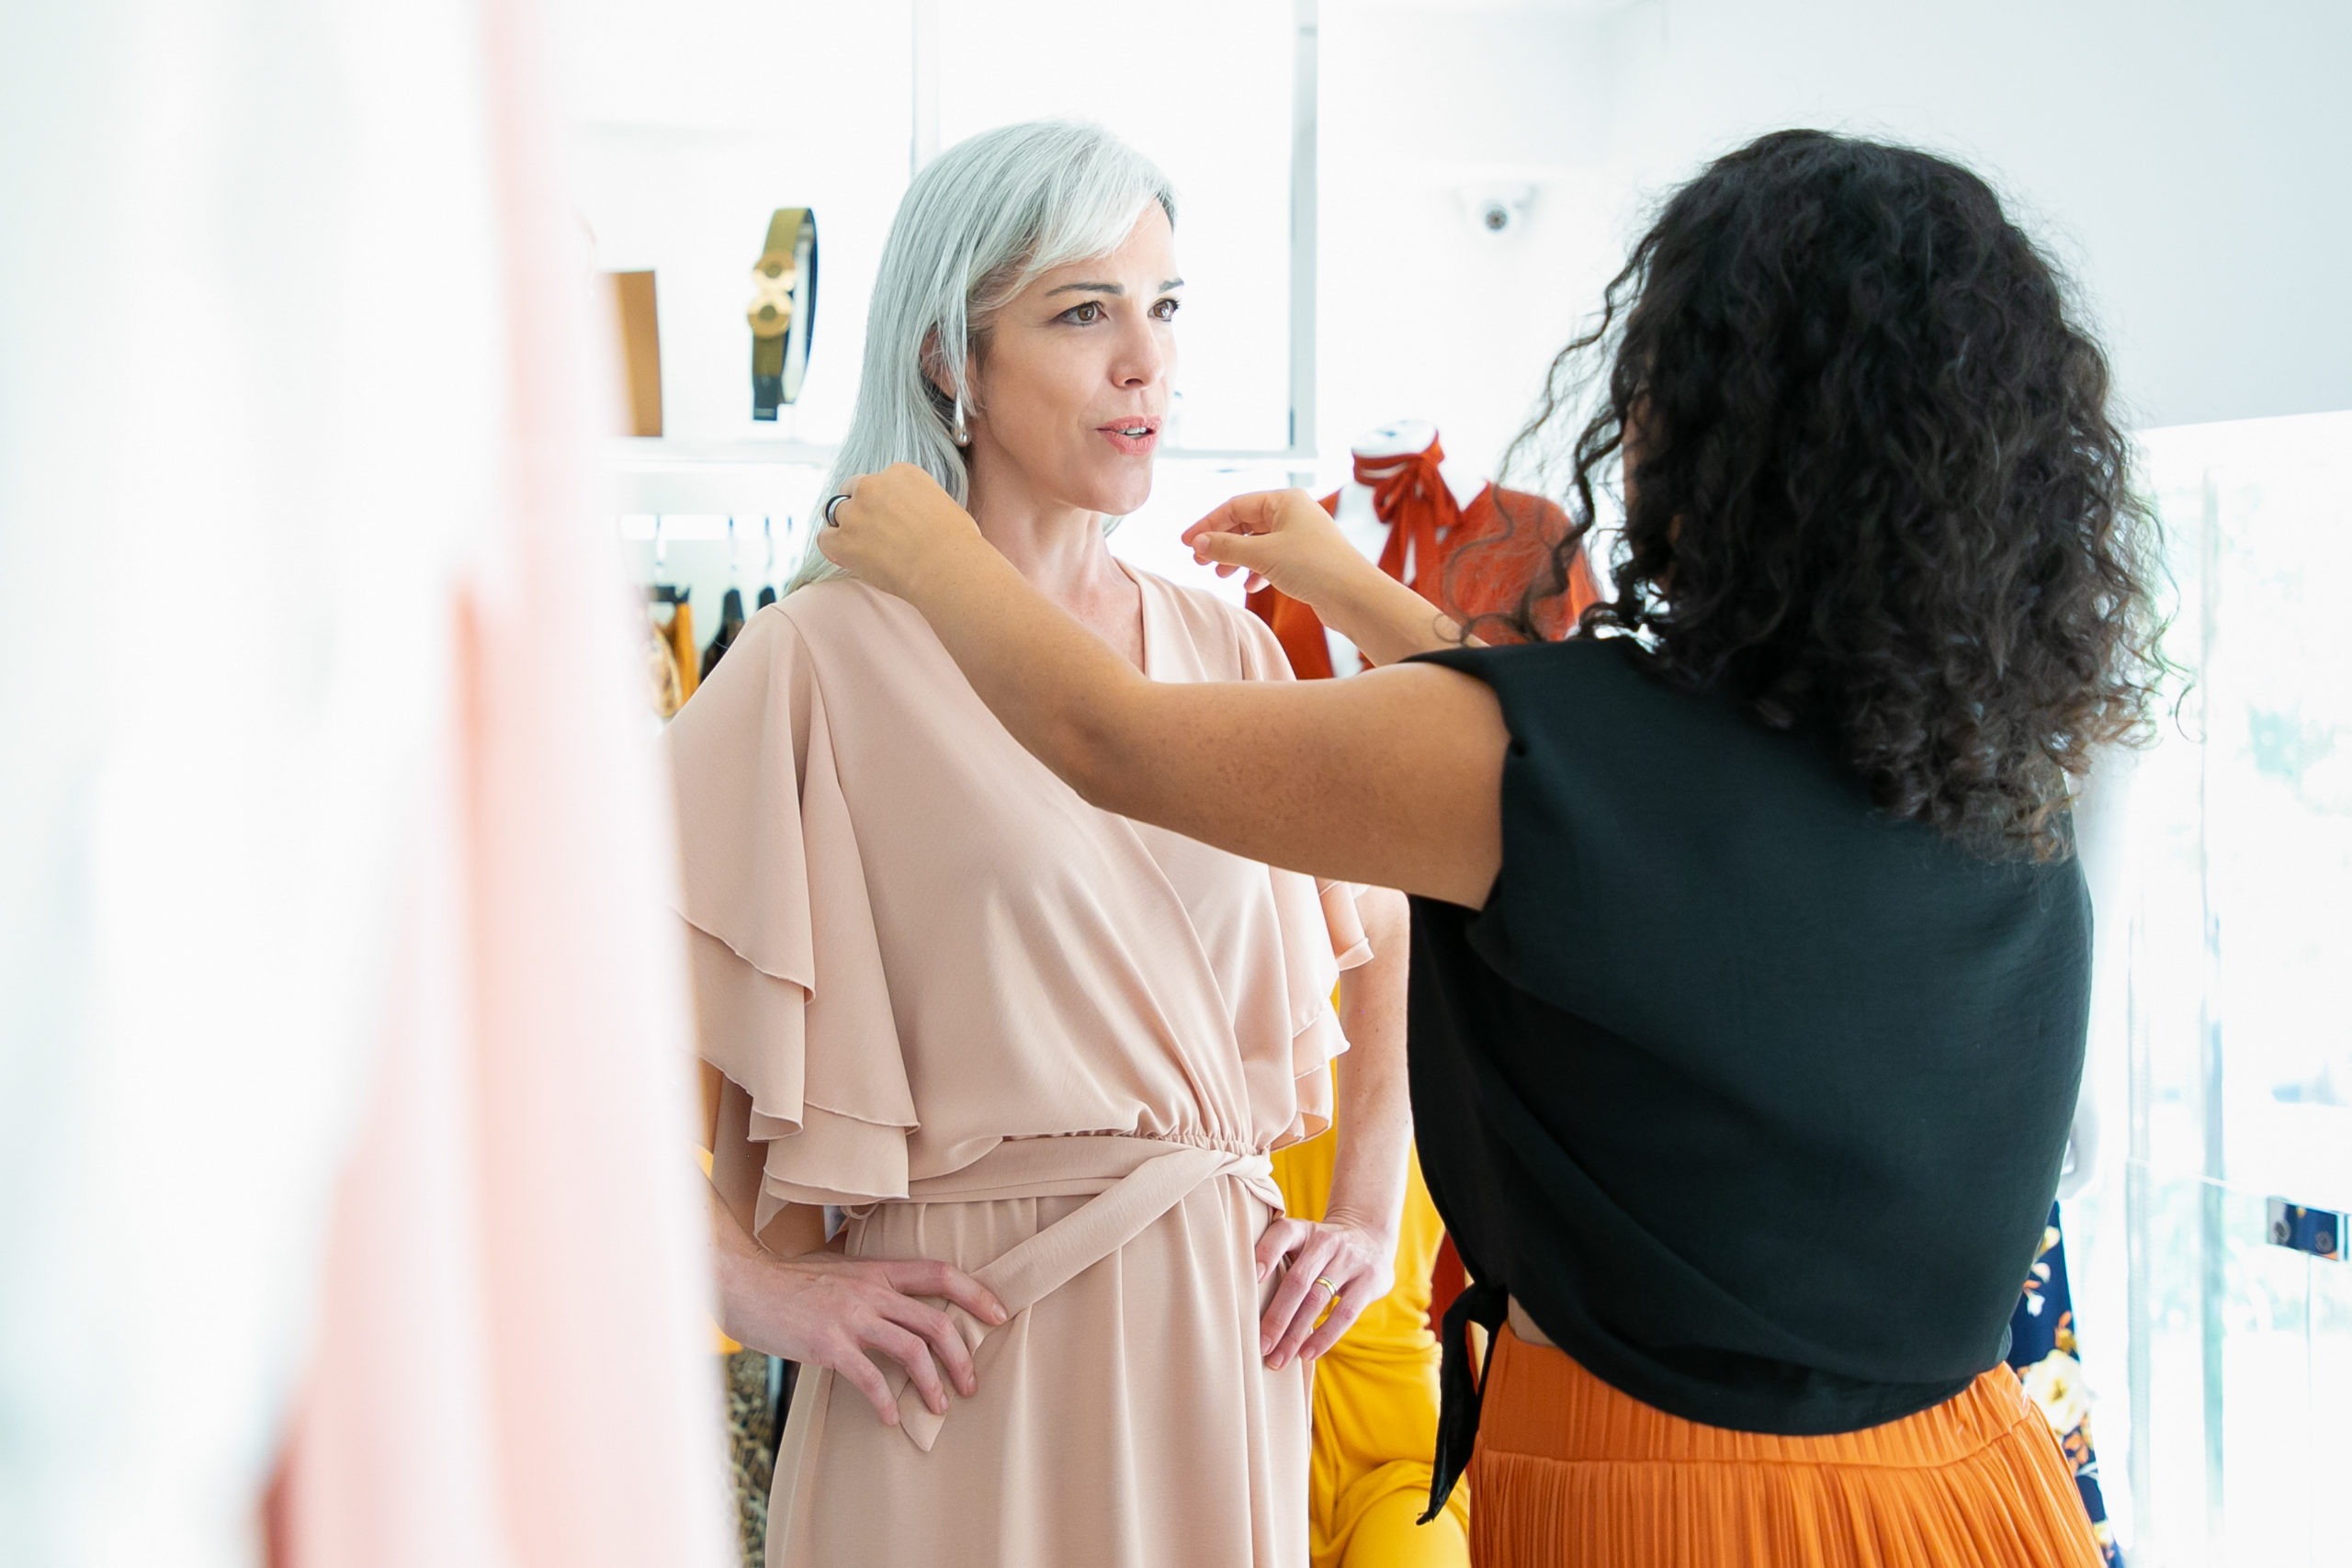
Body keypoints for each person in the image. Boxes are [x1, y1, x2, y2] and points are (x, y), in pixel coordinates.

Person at [816, 129, 2165, 1566]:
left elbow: (1112, 740)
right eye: (1088, 309)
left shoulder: (1553, 769)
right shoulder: (1982, 775)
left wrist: (921, 547)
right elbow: (1602, 771)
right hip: (1984, 1486)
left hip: (1674, 1507)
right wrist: (1347, 589)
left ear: (1719, 423)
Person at [667, 119, 1412, 1567]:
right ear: (952, 356)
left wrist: (1372, 1214)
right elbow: (543, 1026)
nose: (1149, 361)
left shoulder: (1231, 651)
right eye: (1086, 312)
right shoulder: (814, 661)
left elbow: (1384, 929)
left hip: (1225, 1345)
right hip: (957, 1363)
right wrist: (757, 1289)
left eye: (1167, 308)